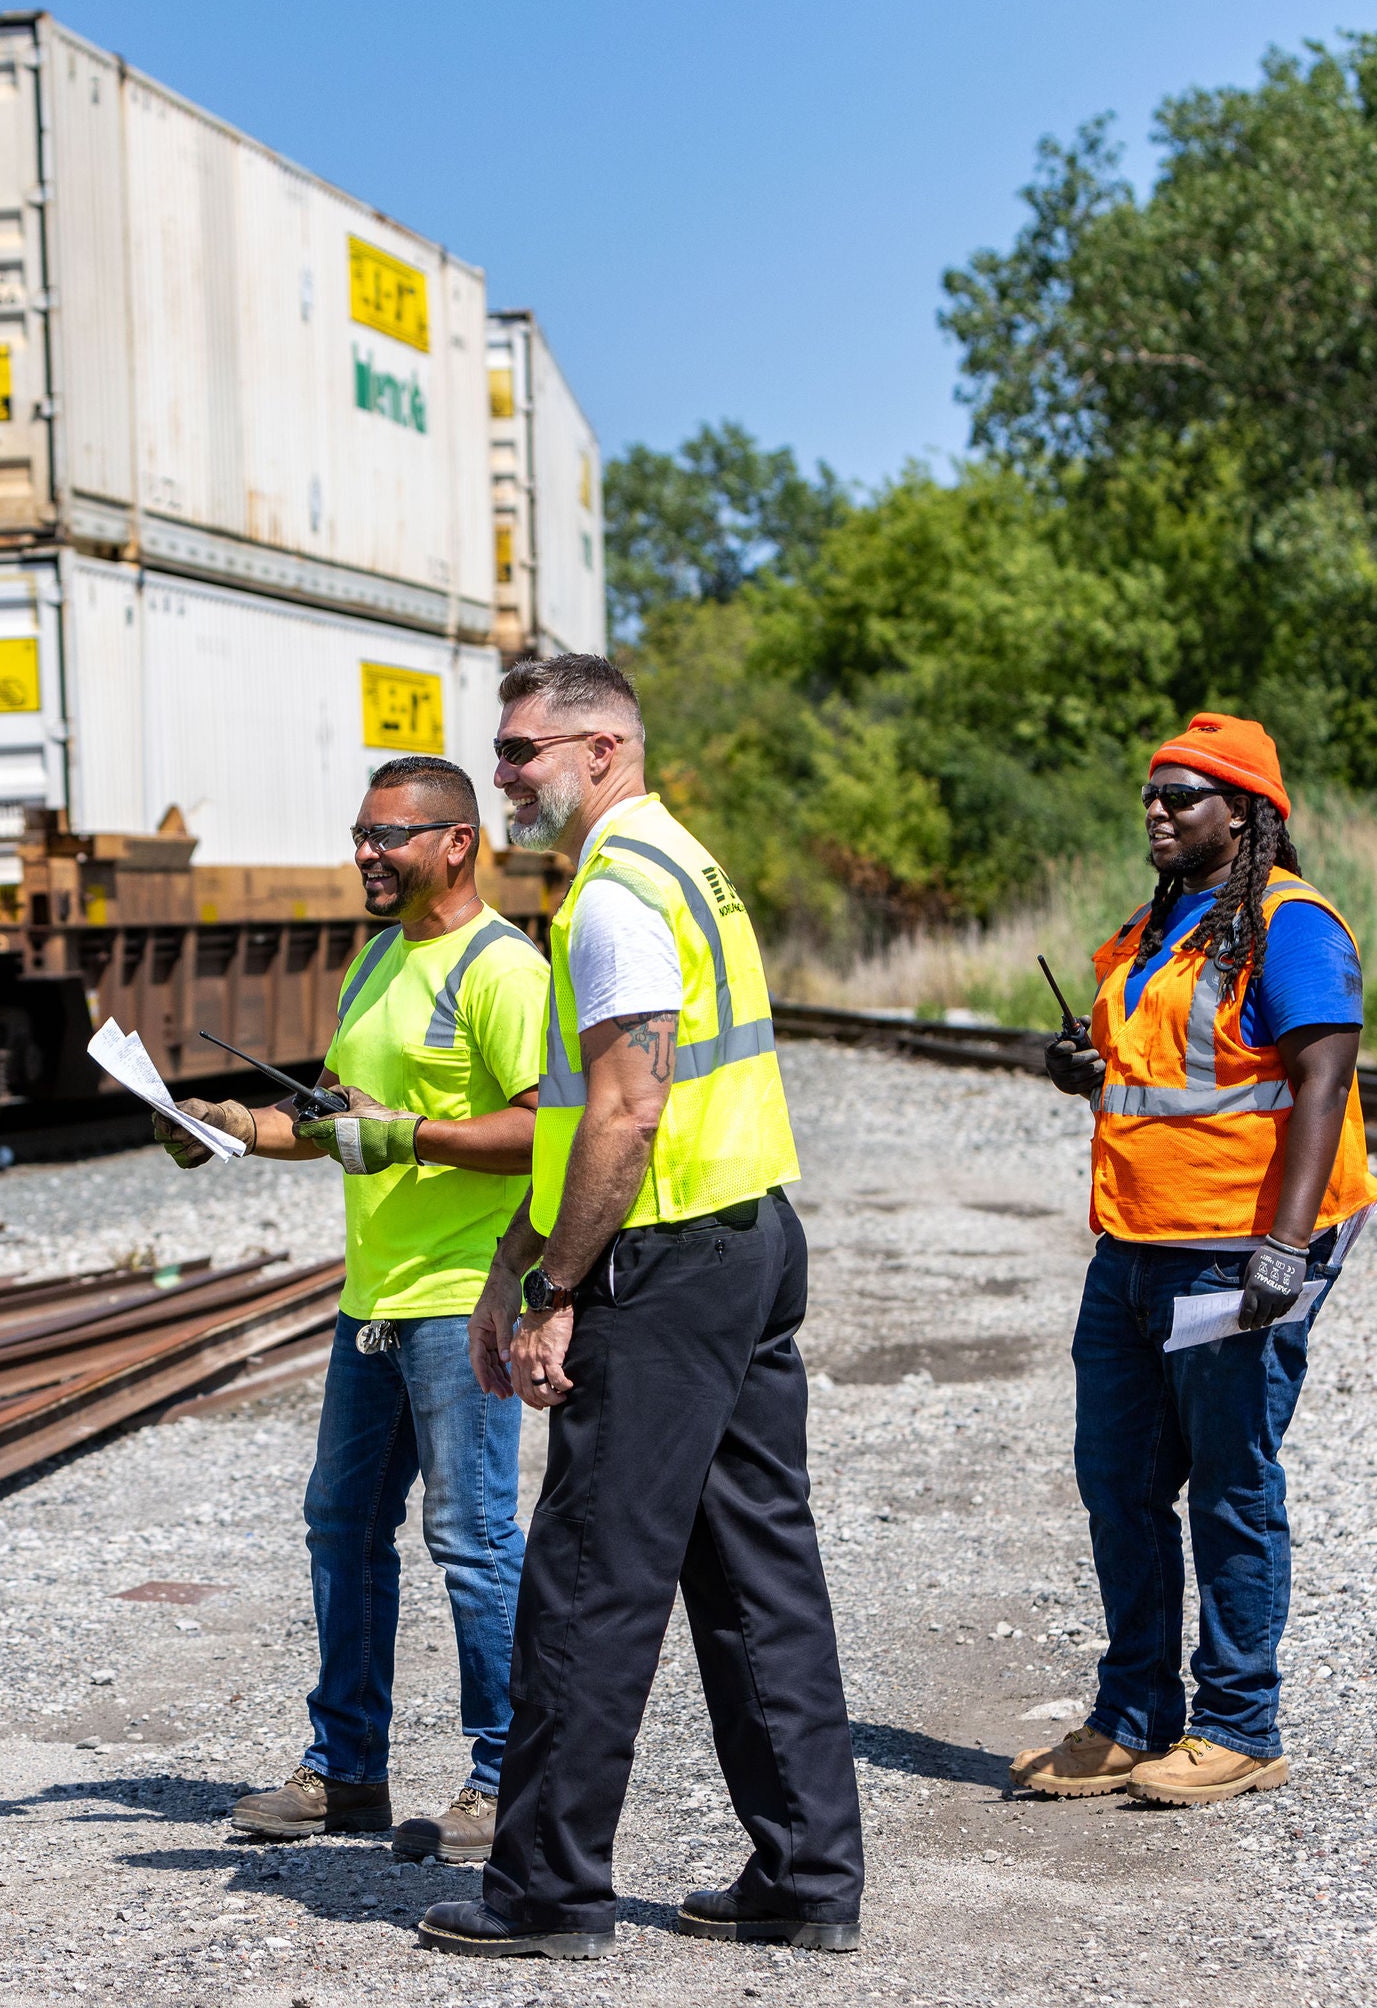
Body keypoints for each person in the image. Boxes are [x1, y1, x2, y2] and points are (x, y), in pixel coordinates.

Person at [417, 654, 864, 1963]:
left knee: (585, 1579)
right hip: (744, 1237)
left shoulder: (614, 896)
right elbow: (579, 1114)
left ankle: (547, 1894)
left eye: (521, 751)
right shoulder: (682, 863)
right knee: (755, 1573)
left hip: (662, 1259)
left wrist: (555, 1288)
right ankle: (805, 1876)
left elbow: (627, 1107)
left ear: (602, 750)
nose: (501, 775)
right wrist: (516, 1251)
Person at [154, 755, 549, 1862]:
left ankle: (506, 1771)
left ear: (458, 842)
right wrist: (228, 1123)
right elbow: (334, 1121)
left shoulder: (503, 970)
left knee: (470, 1537)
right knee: (342, 1529)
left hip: (462, 1296)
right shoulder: (375, 960)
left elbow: (542, 1128)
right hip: (370, 1299)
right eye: (362, 834)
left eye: (390, 837)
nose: (366, 854)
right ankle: (347, 1771)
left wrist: (410, 1132)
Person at [1014, 713, 1377, 1808]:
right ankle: (1134, 1714)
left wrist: (1283, 1244)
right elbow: (1170, 1069)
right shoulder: (1158, 923)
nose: (1159, 810)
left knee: (1229, 1487)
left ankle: (1240, 1722)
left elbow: (1321, 1080)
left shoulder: (1292, 924)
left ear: (1250, 813)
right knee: (1119, 1484)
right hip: (1131, 1246)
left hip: (1234, 1254)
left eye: (1185, 795)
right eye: (1151, 795)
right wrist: (1089, 1067)